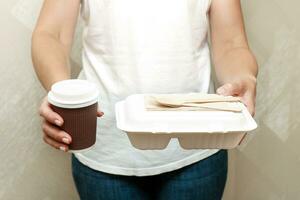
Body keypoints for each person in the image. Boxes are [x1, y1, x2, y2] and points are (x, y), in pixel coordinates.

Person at [31, 0, 258, 199]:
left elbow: (231, 42)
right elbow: (52, 34)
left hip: (197, 146)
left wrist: (243, 78)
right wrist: (62, 93)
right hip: (105, 148)